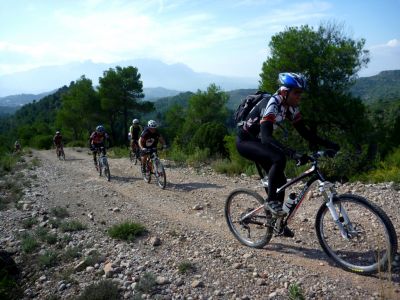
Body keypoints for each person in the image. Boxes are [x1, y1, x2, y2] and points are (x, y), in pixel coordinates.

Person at [236, 72, 339, 237]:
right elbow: (266, 137)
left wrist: (329, 144)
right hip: (245, 142)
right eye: (296, 93)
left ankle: (278, 223)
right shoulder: (273, 104)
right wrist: (292, 153)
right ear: (285, 92)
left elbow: (305, 132)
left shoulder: (290, 107)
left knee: (281, 181)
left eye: (301, 93)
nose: (300, 96)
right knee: (279, 158)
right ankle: (270, 202)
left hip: (259, 142)